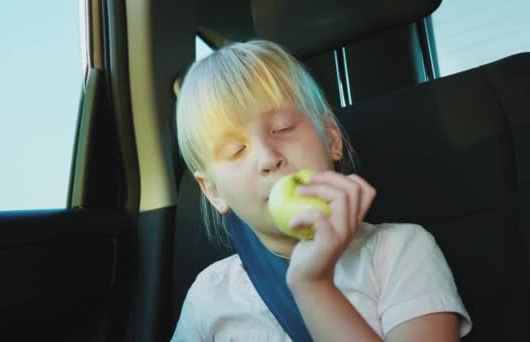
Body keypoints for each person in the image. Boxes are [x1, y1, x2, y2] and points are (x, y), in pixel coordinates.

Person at [171, 39, 472, 341]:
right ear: (213, 192)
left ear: (331, 138)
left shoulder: (398, 251)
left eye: (282, 128)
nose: (268, 157)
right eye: (236, 151)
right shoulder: (208, 296)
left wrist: (313, 285)